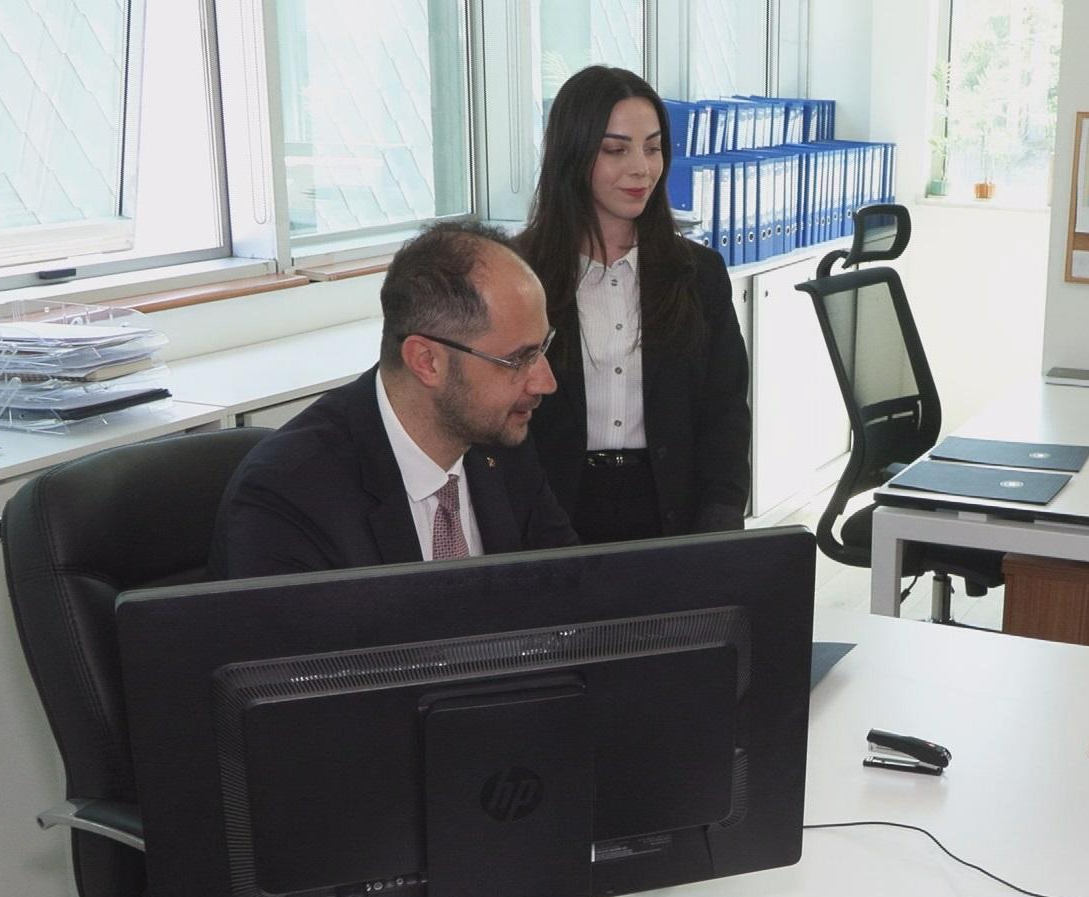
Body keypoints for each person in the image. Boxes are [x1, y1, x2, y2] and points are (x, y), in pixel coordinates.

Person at [212, 221, 578, 578]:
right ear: (427, 361)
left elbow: (572, 589)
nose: (545, 383)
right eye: (518, 360)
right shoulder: (288, 499)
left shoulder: (501, 441)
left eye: (542, 348)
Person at [514, 66, 751, 544]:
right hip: (549, 510)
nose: (641, 168)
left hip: (672, 511)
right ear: (573, 153)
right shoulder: (518, 276)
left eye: (653, 147)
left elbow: (725, 413)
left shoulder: (698, 273)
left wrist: (720, 522)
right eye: (615, 149)